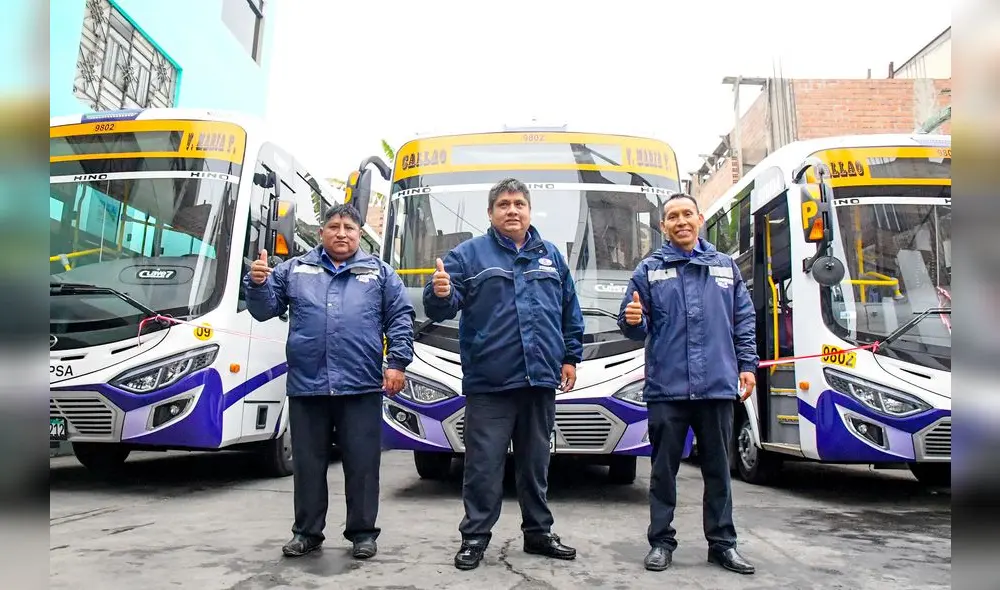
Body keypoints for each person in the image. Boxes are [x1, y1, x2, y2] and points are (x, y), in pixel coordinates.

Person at [423, 177, 585, 571]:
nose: (512, 210)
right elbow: (441, 307)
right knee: (483, 465)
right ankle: (475, 537)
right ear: (491, 212)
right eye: (503, 204)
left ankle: (538, 534)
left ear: (529, 210)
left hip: (540, 381)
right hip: (490, 383)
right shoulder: (468, 255)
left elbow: (569, 311)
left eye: (519, 204)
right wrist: (440, 292)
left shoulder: (551, 256)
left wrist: (570, 358)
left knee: (536, 464)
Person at [244, 203, 415, 560]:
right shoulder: (295, 269)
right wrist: (258, 283)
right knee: (307, 465)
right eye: (334, 226)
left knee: (363, 464)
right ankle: (307, 533)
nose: (341, 233)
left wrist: (397, 363)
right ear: (322, 232)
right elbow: (263, 310)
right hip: (308, 386)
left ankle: (363, 534)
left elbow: (400, 316)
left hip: (362, 385)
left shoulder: (379, 272)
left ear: (359, 234)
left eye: (349, 228)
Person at [618, 192, 757, 575]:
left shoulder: (726, 268)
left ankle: (723, 545)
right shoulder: (649, 270)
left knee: (718, 471)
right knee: (663, 472)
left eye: (687, 214)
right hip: (667, 389)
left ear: (700, 219)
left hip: (715, 386)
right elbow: (633, 326)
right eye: (672, 217)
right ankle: (661, 542)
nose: (680, 221)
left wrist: (747, 365)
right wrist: (632, 319)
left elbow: (743, 321)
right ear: (663, 226)